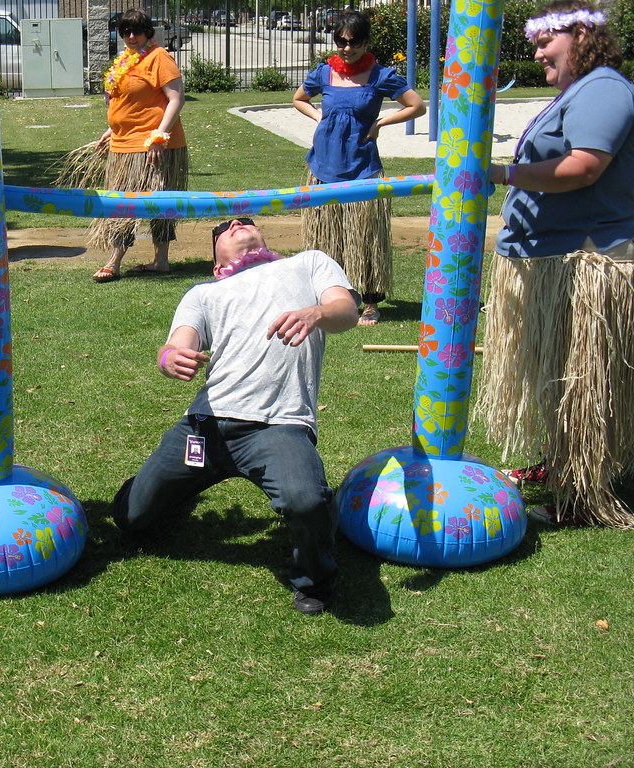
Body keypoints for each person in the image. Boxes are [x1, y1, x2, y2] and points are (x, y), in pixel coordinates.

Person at [112, 218, 359, 613]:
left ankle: (313, 580)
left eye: (246, 221)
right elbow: (176, 343)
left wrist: (316, 313)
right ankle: (150, 488)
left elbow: (345, 310)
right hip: (205, 427)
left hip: (278, 426)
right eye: (224, 227)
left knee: (306, 501)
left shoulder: (308, 263)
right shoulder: (205, 292)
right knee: (131, 518)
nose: (238, 223)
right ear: (215, 261)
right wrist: (170, 358)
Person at [480, 0, 634, 528]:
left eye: (546, 42)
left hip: (585, 261)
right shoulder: (577, 92)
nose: (538, 51)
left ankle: (582, 496)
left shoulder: (605, 88)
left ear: (580, 36)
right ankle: (560, 465)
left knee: (581, 382)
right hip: (553, 258)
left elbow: (585, 166)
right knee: (559, 378)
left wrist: (502, 174)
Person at [292, 10, 425, 325]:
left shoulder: (381, 75)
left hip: (362, 167)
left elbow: (416, 105)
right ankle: (336, 297)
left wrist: (380, 122)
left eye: (353, 42)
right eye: (341, 41)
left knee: (366, 238)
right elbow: (299, 98)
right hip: (322, 166)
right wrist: (318, 116)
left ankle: (371, 302)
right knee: (328, 238)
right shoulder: (324, 73)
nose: (346, 48)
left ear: (366, 42)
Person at [90, 8, 187, 283]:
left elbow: (176, 99)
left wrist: (159, 136)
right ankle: (121, 260)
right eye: (126, 31)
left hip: (151, 146)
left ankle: (151, 261)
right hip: (123, 143)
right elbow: (128, 103)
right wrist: (112, 128)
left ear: (148, 33)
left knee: (153, 202)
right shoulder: (126, 60)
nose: (132, 36)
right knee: (121, 203)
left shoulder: (159, 58)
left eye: (137, 31)